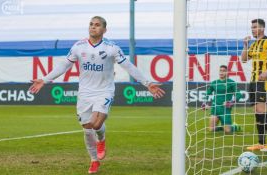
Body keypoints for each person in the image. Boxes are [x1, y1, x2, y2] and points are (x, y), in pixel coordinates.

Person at [29, 16, 165, 174]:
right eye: (91, 24)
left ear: (104, 30)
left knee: (96, 123)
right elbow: (64, 65)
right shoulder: (78, 46)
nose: (93, 27)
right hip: (85, 93)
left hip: (104, 91)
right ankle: (94, 161)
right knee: (87, 128)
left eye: (97, 25)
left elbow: (128, 66)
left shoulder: (111, 48)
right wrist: (45, 80)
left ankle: (101, 139)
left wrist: (147, 83)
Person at [241, 19, 267, 151]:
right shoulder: (254, 44)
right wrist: (246, 45)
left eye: (255, 27)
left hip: (264, 81)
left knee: (262, 110)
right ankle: (260, 142)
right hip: (253, 81)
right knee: (256, 112)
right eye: (251, 27)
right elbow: (244, 59)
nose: (252, 29)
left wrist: (266, 71)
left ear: (262, 28)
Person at [202, 65, 242, 134]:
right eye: (220, 71)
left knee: (228, 131)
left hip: (225, 109)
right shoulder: (214, 83)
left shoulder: (231, 83)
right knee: (211, 129)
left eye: (224, 71)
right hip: (215, 108)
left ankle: (235, 127)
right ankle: (223, 127)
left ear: (227, 72)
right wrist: (204, 103)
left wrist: (231, 102)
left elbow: (239, 95)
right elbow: (207, 94)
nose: (221, 72)